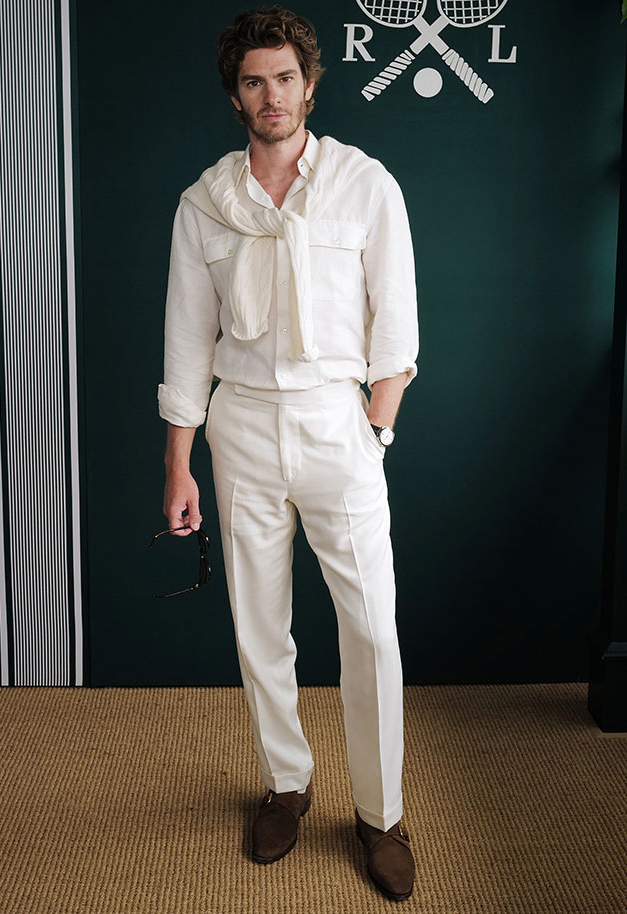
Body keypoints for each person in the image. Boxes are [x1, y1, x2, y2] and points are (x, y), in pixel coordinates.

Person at [158, 5, 419, 902]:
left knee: (371, 628)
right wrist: (178, 464)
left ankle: (381, 813)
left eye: (285, 78)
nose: (272, 96)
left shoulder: (364, 185)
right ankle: (286, 784)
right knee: (259, 625)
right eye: (254, 82)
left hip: (337, 426)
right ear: (237, 97)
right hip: (240, 430)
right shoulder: (206, 203)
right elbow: (187, 345)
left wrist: (375, 431)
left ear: (311, 84)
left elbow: (400, 327)